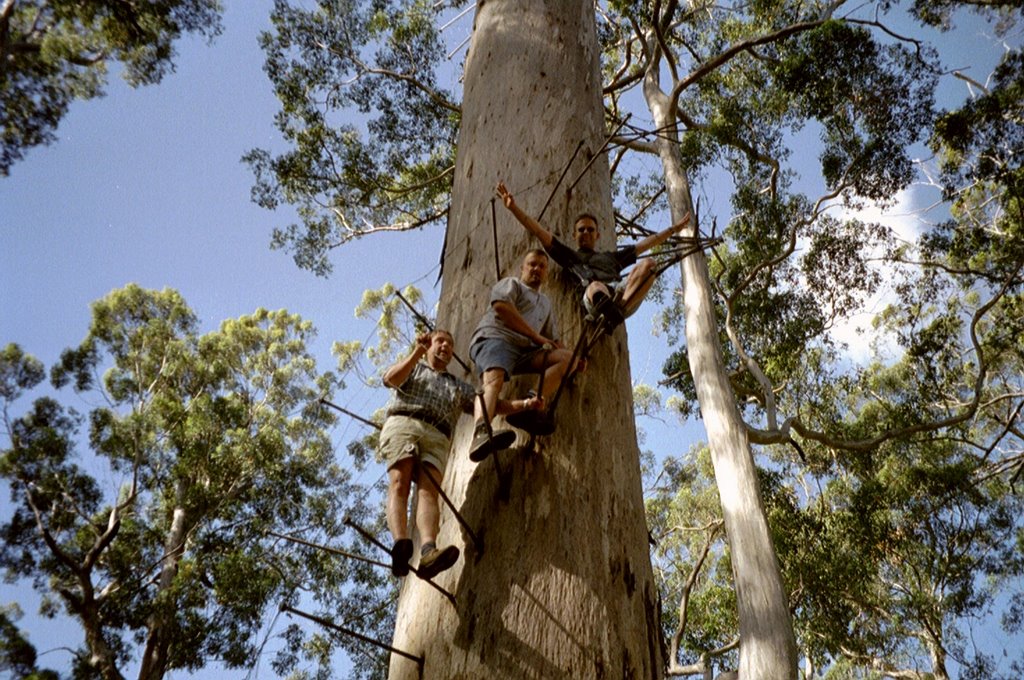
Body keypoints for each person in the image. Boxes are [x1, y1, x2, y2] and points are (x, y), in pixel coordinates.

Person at [381, 329, 541, 578]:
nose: (445, 346)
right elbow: (391, 379)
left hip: (438, 435)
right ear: (429, 345)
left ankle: (428, 552)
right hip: (405, 421)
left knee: (429, 491)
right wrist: (417, 353)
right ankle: (401, 544)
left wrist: (524, 404)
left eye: (450, 344)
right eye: (440, 341)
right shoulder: (415, 367)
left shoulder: (456, 386)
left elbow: (490, 405)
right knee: (400, 481)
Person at [496, 181, 690, 324]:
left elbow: (646, 245)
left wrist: (673, 230)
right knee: (596, 287)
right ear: (574, 235)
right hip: (593, 298)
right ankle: (609, 312)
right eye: (581, 230)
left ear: (597, 235)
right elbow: (539, 231)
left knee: (649, 265)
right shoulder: (570, 256)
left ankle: (615, 313)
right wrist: (513, 208)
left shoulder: (612, 258)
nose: (585, 233)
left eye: (590, 229)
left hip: (622, 294)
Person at [467, 249, 578, 461]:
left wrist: (574, 361)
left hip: (523, 351)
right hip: (496, 338)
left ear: (546, 273)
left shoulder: (545, 303)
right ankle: (481, 432)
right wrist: (535, 337)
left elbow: (553, 340)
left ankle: (529, 406)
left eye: (542, 266)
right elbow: (501, 307)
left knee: (567, 359)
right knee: (493, 380)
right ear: (523, 268)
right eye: (532, 264)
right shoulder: (512, 284)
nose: (537, 269)